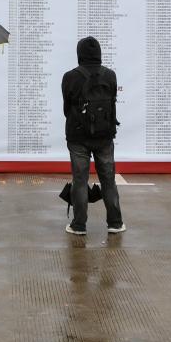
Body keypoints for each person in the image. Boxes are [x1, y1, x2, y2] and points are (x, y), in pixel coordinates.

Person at [61, 36, 124, 236]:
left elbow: (66, 108)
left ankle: (79, 225)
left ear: (79, 54)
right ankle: (115, 223)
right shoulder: (110, 75)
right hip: (105, 136)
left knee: (80, 180)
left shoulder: (70, 77)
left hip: (78, 137)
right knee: (108, 179)